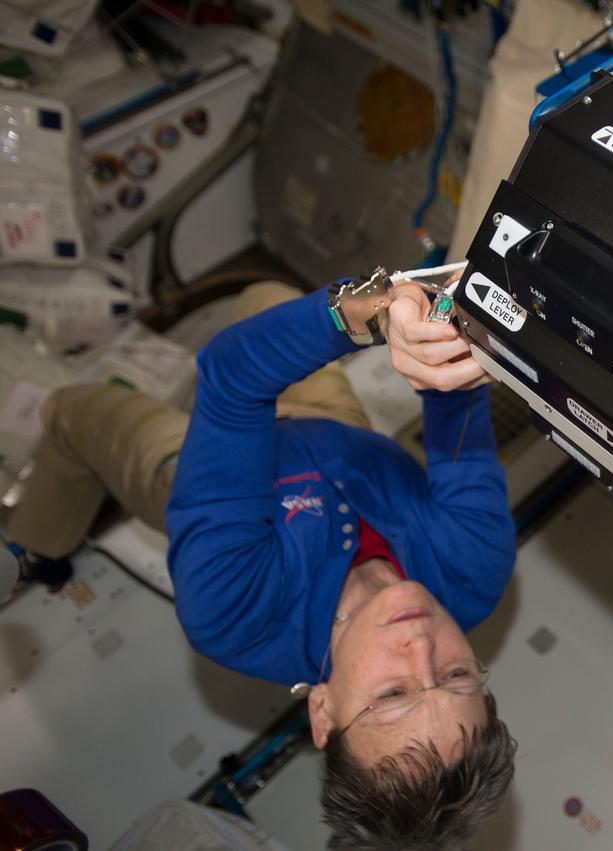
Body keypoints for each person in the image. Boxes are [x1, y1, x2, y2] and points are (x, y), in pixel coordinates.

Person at [3, 275, 518, 849]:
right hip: (337, 435)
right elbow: (456, 400)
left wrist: (366, 314)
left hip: (196, 470)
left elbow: (230, 383)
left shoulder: (235, 611)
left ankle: (38, 547)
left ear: (323, 712)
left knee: (72, 409)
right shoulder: (476, 569)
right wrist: (437, 326)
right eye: (455, 676)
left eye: (394, 694)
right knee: (268, 295)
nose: (421, 647)